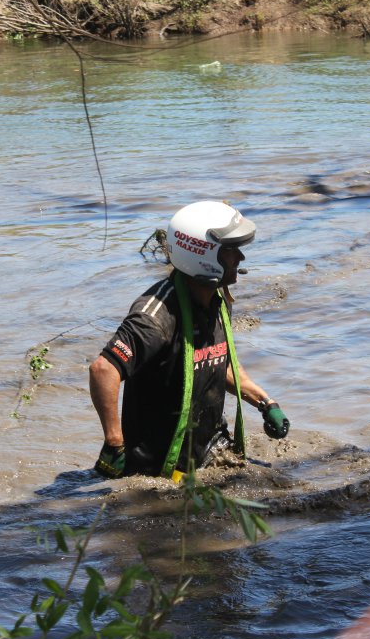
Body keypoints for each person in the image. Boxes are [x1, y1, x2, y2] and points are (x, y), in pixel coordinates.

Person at [89, 201, 290, 479]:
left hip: (210, 449)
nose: (240, 257)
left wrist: (266, 403)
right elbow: (103, 369)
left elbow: (217, 360)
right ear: (202, 255)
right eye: (231, 250)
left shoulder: (218, 299)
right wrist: (114, 443)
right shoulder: (156, 315)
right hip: (159, 467)